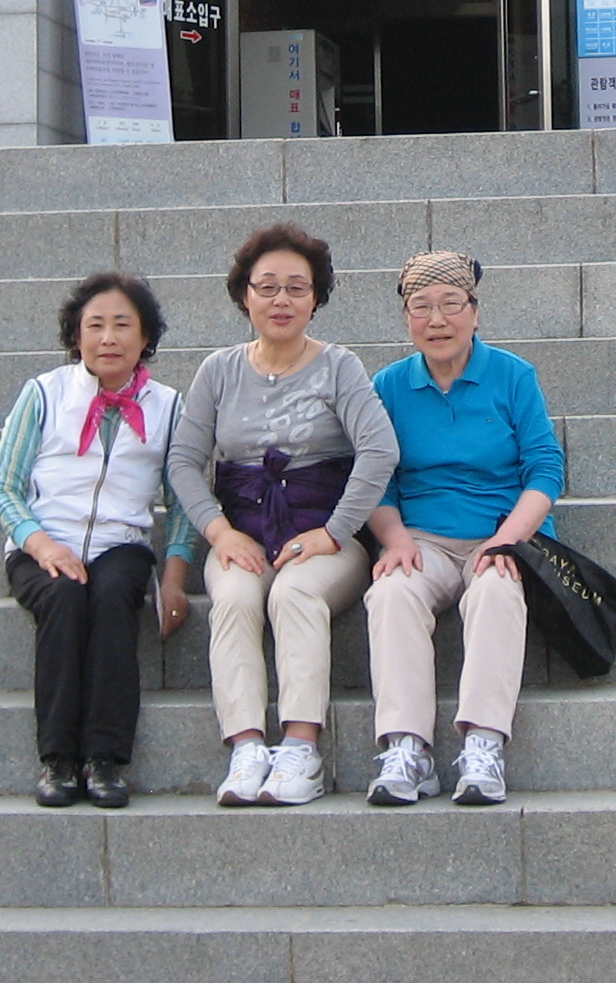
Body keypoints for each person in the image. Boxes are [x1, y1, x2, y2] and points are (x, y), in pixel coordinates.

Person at [168, 223, 399, 806]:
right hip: (243, 532)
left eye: (297, 287)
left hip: (322, 537)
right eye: (267, 286)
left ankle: (300, 749)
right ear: (244, 294)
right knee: (234, 597)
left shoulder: (339, 366)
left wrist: (333, 531)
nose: (281, 299)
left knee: (294, 594)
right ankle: (247, 747)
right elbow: (183, 462)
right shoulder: (218, 370)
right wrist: (219, 532)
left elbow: (379, 449)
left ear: (316, 298)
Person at [361, 249, 565, 808]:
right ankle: (407, 748)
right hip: (421, 538)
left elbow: (545, 468)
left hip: (499, 532)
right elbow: (376, 479)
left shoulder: (513, 376)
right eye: (421, 307)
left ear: (475, 311)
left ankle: (483, 744)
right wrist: (395, 539)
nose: (437, 319)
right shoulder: (388, 386)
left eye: (451, 304)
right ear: (407, 318)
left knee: (498, 590)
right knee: (392, 593)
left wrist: (508, 539)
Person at [0, 271, 195, 809]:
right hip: (42, 544)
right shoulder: (43, 394)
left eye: (123, 325)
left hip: (120, 544)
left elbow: (184, 502)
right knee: (63, 596)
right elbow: (2, 489)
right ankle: (58, 760)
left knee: (111, 594)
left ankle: (105, 759)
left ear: (145, 337)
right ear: (75, 336)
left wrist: (174, 578)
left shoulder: (169, 406)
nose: (108, 338)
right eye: (95, 325)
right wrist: (42, 546)